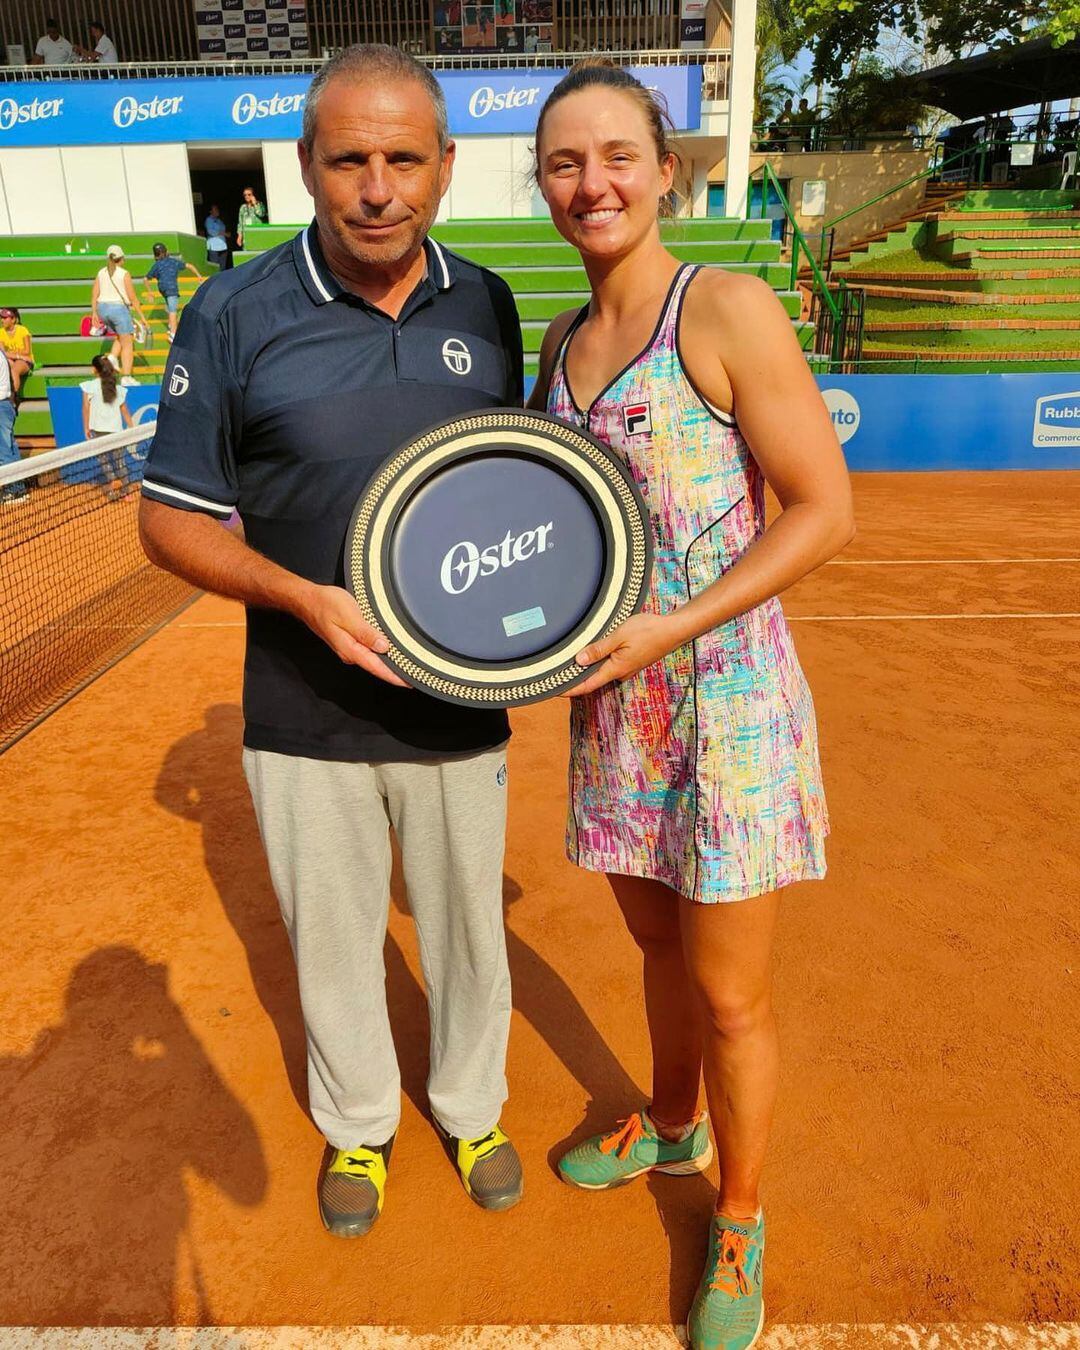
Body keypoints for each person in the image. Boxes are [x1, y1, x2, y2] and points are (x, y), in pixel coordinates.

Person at [139, 44, 526, 1240]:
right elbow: (169, 520)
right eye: (348, 158)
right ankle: (360, 1126)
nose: (377, 186)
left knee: (468, 927)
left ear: (446, 167)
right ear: (305, 166)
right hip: (300, 706)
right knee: (335, 938)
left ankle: (472, 1104)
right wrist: (302, 598)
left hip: (461, 703)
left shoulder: (489, 303)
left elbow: (519, 492)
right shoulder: (233, 309)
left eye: (403, 158)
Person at [527, 62, 854, 1350]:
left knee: (731, 997)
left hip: (725, 704)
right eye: (564, 162)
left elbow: (826, 511)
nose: (591, 183)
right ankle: (671, 1128)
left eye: (617, 156)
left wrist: (671, 625)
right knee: (656, 954)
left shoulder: (721, 308)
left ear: (667, 171)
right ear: (543, 183)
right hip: (616, 710)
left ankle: (741, 1213)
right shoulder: (558, 341)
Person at [91, 244, 148, 386]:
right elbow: (133, 298)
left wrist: (94, 312)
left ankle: (112, 357)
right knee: (128, 343)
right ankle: (127, 377)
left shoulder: (101, 272)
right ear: (121, 258)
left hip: (102, 309)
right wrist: (142, 318)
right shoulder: (124, 274)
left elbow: (94, 294)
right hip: (118, 309)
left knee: (120, 336)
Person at [142, 243, 203, 343]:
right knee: (173, 310)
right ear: (167, 252)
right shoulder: (173, 262)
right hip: (172, 289)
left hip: (162, 289)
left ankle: (171, 324)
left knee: (169, 306)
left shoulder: (156, 265)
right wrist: (198, 275)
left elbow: (145, 279)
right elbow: (189, 265)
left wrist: (150, 292)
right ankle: (173, 333)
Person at [0, 339, 27, 506]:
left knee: (3, 450)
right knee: (11, 447)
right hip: (6, 405)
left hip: (1, 406)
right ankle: (18, 488)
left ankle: (14, 491)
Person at [0, 307, 35, 400]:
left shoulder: (22, 330)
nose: (2, 320)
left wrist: (11, 354)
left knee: (14, 370)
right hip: (13, 359)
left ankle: (12, 398)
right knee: (7, 364)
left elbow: (27, 351)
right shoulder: (1, 333)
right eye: (1, 318)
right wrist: (18, 355)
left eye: (5, 318)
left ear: (13, 319)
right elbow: (3, 353)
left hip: (25, 361)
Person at [236, 186, 268, 251]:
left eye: (249, 194)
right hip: (247, 237)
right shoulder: (243, 207)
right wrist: (239, 236)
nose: (246, 196)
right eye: (245, 195)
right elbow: (240, 223)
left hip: (258, 235)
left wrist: (255, 204)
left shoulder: (260, 204)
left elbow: (261, 214)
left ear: (253, 195)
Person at [203, 205, 232, 270]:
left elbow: (223, 230)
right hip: (214, 246)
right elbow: (211, 232)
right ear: (210, 211)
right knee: (215, 267)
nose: (217, 210)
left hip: (223, 246)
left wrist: (226, 233)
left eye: (217, 209)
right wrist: (224, 233)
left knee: (223, 267)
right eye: (215, 209)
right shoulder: (209, 220)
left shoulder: (219, 220)